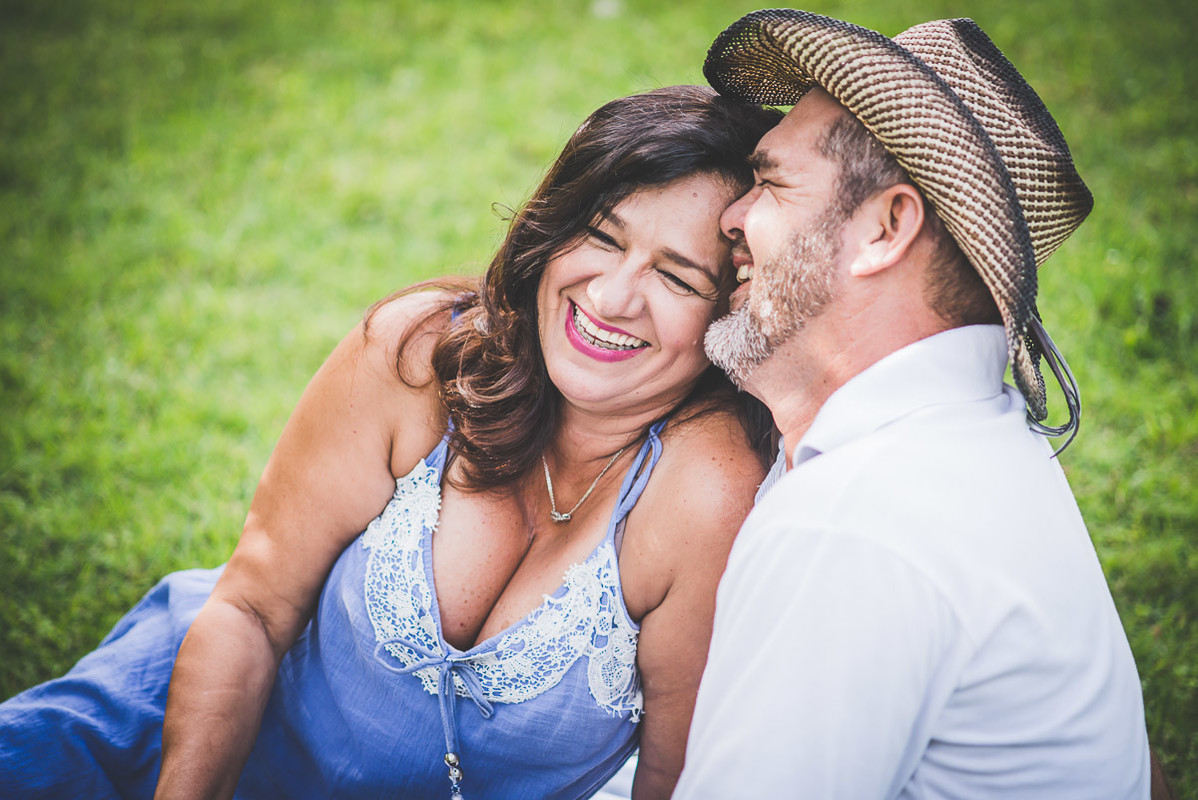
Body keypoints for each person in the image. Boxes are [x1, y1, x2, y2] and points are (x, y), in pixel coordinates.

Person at [0, 85, 781, 799]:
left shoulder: (707, 492)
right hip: (187, 729)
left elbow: (676, 775)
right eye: (603, 238)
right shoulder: (419, 356)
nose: (612, 298)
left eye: (678, 278)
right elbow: (250, 610)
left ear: (728, 313)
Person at [673, 10, 1151, 798]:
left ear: (886, 227)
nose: (730, 216)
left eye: (769, 183)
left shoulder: (850, 523)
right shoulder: (978, 448)